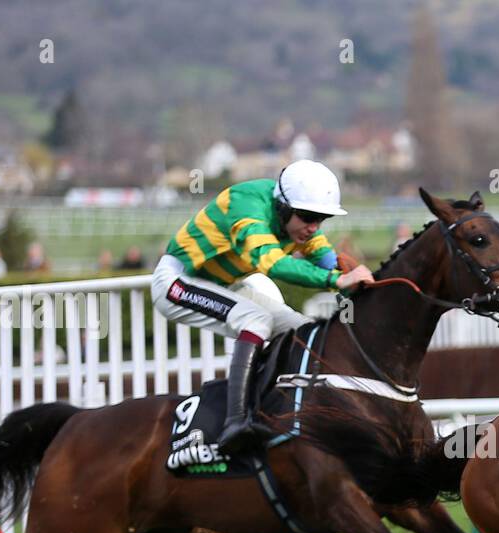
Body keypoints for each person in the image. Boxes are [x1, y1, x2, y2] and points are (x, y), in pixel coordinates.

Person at [151, 159, 373, 454]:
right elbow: (273, 265)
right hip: (176, 282)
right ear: (283, 206)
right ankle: (235, 422)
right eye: (308, 217)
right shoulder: (247, 206)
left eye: (321, 219)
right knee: (255, 320)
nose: (313, 227)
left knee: (303, 330)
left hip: (224, 284)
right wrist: (337, 280)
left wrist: (356, 277)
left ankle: (285, 409)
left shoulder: (295, 214)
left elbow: (322, 254)